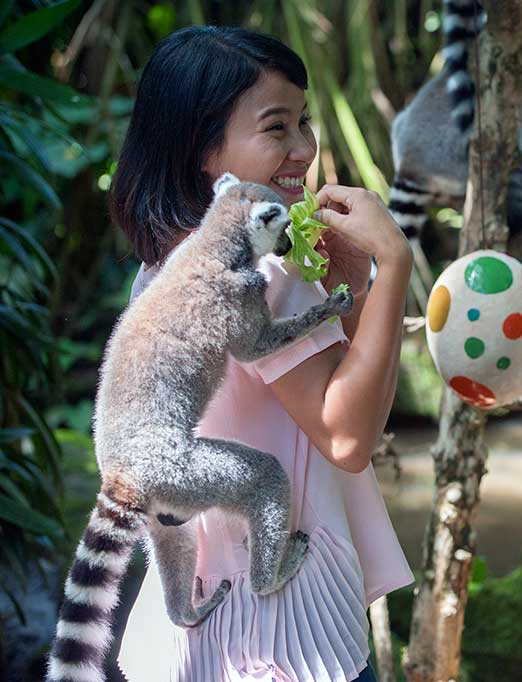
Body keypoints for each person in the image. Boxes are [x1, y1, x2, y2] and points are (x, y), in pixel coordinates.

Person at [108, 26, 414, 682]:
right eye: (276, 127)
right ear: (203, 149)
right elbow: (347, 436)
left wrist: (354, 289)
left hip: (205, 619)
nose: (304, 148)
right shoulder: (265, 274)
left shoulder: (165, 265)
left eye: (304, 121)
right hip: (286, 632)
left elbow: (333, 387)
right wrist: (394, 262)